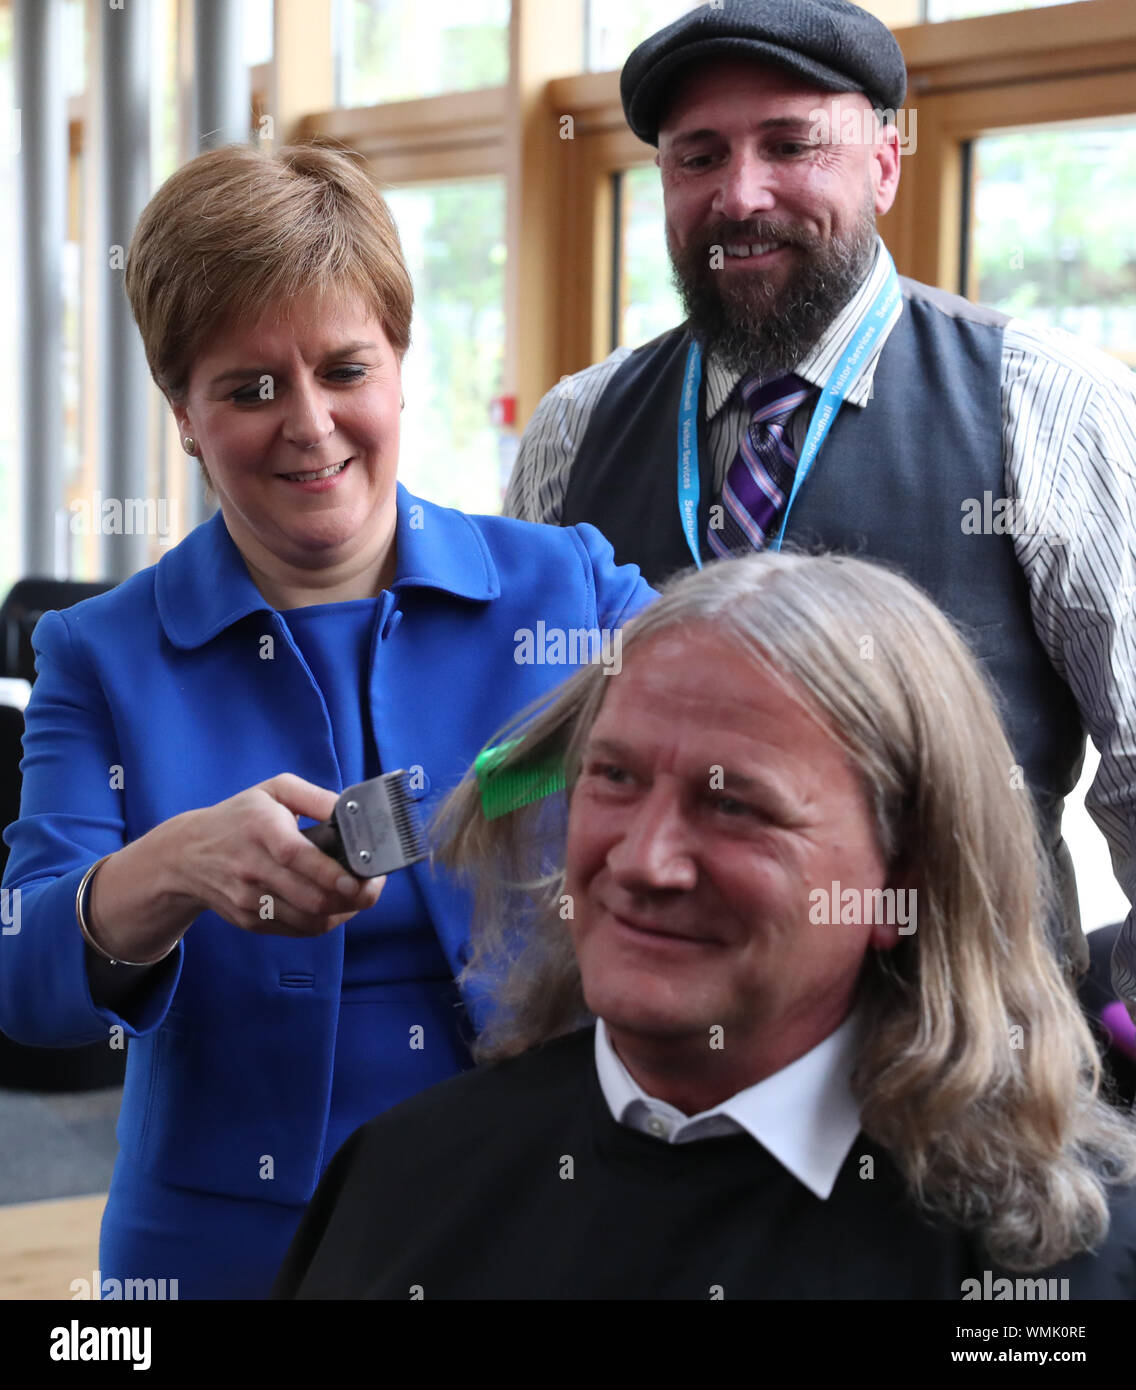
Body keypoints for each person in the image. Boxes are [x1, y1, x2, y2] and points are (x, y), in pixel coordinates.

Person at [0, 141, 653, 1300]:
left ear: (402, 366)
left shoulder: (572, 590)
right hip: (224, 1254)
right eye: (249, 388)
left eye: (344, 368)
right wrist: (169, 867)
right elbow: (24, 975)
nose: (308, 425)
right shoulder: (97, 653)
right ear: (183, 412)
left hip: (549, 1200)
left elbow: (746, 733)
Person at [274, 552, 1136, 1300]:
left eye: (733, 805)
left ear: (903, 874)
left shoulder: (1055, 1259)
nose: (646, 861)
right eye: (613, 776)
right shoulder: (405, 1181)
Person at [504, 0, 1136, 1012]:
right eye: (697, 156)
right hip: (643, 1082)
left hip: (951, 1083)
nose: (738, 195)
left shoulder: (1047, 402)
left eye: (788, 145)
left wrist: (1103, 1030)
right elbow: (528, 765)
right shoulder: (576, 427)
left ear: (883, 163)